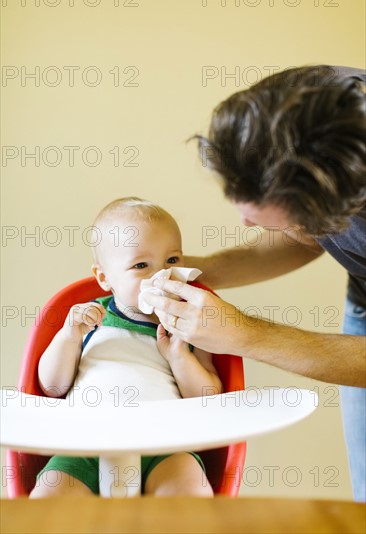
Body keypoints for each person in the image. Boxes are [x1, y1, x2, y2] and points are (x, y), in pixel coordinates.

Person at [142, 65, 366, 502]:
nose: (245, 222)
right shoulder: (295, 107)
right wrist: (199, 269)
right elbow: (306, 236)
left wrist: (244, 334)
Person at [30, 197, 222, 498]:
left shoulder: (190, 323)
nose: (162, 276)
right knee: (49, 502)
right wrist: (69, 336)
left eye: (172, 261)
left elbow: (208, 398)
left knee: (189, 494)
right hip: (83, 447)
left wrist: (178, 356)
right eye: (141, 265)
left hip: (165, 448)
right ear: (104, 278)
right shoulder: (90, 319)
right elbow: (51, 387)